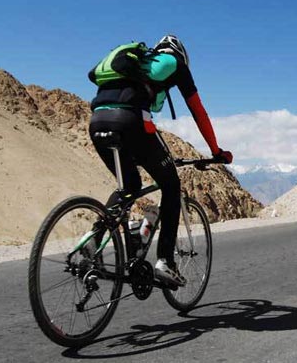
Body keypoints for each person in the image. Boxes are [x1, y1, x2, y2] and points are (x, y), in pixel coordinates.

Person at [88, 34, 233, 287]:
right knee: (170, 185)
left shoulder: (136, 64)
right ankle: (166, 261)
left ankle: (93, 238)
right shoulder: (175, 63)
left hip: (97, 121)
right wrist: (216, 150)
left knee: (129, 187)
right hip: (131, 121)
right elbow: (198, 111)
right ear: (181, 53)